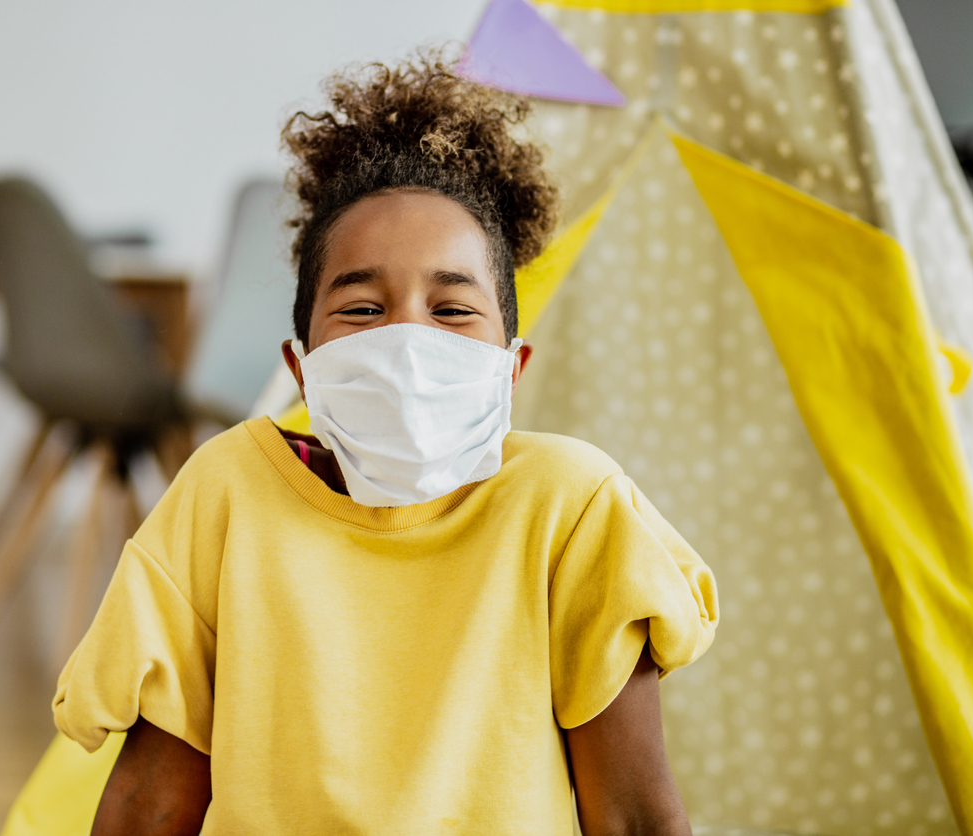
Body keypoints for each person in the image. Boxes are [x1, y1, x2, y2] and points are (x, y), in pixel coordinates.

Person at [53, 52, 718, 836]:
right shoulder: (226, 494)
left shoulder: (574, 509)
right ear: (301, 369)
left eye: (453, 310)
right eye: (363, 310)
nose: (406, 340)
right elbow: (151, 803)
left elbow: (634, 815)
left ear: (511, 369)